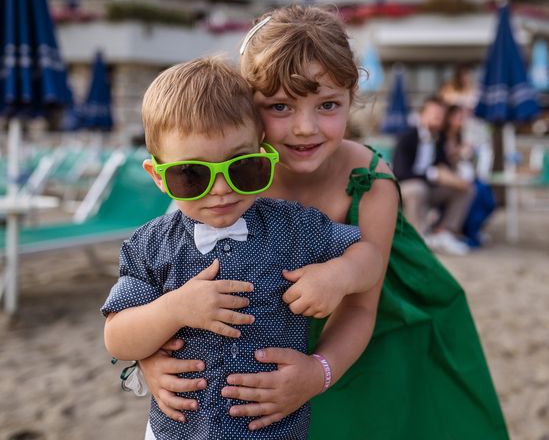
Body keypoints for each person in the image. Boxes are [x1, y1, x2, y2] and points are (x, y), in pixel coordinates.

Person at [137, 6, 509, 439]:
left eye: (328, 105)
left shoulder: (371, 182)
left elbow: (362, 307)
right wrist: (148, 360)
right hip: (251, 347)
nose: (305, 128)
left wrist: (318, 371)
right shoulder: (229, 178)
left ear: (352, 97)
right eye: (280, 106)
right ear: (248, 107)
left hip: (371, 341)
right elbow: (162, 277)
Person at [101, 56, 384, 439]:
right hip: (177, 432)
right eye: (191, 175)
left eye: (241, 167)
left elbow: (368, 256)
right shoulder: (150, 245)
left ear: (261, 150)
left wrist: (340, 274)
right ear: (158, 176)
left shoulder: (293, 226)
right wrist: (174, 309)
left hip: (274, 430)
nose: (221, 189)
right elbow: (117, 337)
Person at [393, 96, 475, 256]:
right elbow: (400, 172)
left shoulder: (440, 138)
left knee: (466, 190)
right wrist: (433, 174)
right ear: (422, 114)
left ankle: (444, 232)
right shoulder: (407, 136)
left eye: (441, 114)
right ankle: (419, 237)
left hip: (430, 188)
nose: (438, 117)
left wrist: (456, 174)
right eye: (434, 113)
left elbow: (443, 164)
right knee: (418, 188)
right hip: (406, 188)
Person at [439, 104, 496, 248]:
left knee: (485, 193)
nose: (462, 121)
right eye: (459, 118)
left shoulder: (460, 135)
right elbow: (441, 162)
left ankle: (472, 230)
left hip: (461, 176)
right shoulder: (441, 137)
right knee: (476, 192)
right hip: (448, 178)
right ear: (450, 118)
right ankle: (467, 231)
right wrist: (457, 153)